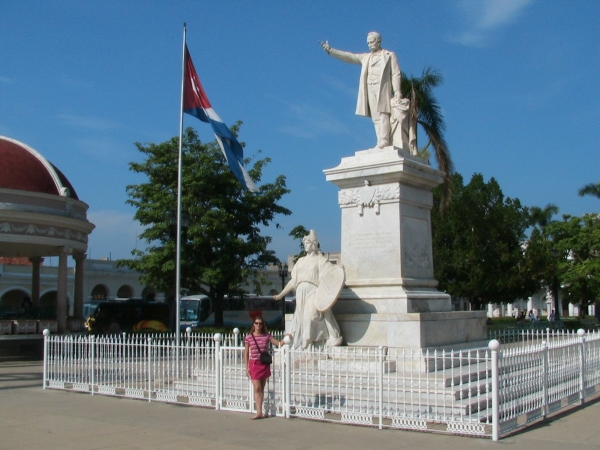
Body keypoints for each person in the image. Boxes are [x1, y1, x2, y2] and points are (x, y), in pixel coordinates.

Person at [320, 32, 401, 149]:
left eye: (372, 42)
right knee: (376, 116)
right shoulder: (365, 57)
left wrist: (397, 91)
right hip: (369, 87)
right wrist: (331, 51)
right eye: (368, 43)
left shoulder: (389, 55)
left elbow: (396, 73)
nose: (369, 45)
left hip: (382, 87)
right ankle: (380, 141)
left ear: (378, 41)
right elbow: (349, 57)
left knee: (384, 113)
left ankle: (385, 141)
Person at [274, 229, 343, 350]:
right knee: (301, 319)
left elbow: (331, 272)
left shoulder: (320, 260)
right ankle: (306, 346)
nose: (305, 245)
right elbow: (293, 281)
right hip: (301, 294)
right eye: (304, 243)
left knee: (310, 316)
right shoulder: (300, 261)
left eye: (307, 243)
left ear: (314, 244)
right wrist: (281, 294)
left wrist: (339, 270)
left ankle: (312, 344)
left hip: (313, 292)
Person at [244, 316, 287, 420]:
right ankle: (259, 411)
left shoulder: (266, 336)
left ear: (263, 325)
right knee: (257, 387)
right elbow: (246, 353)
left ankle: (260, 412)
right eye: (256, 323)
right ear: (253, 324)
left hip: (264, 364)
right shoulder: (249, 337)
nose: (258, 325)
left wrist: (286, 338)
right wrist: (247, 367)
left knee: (262, 388)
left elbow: (279, 343)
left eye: (260, 323)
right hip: (254, 364)